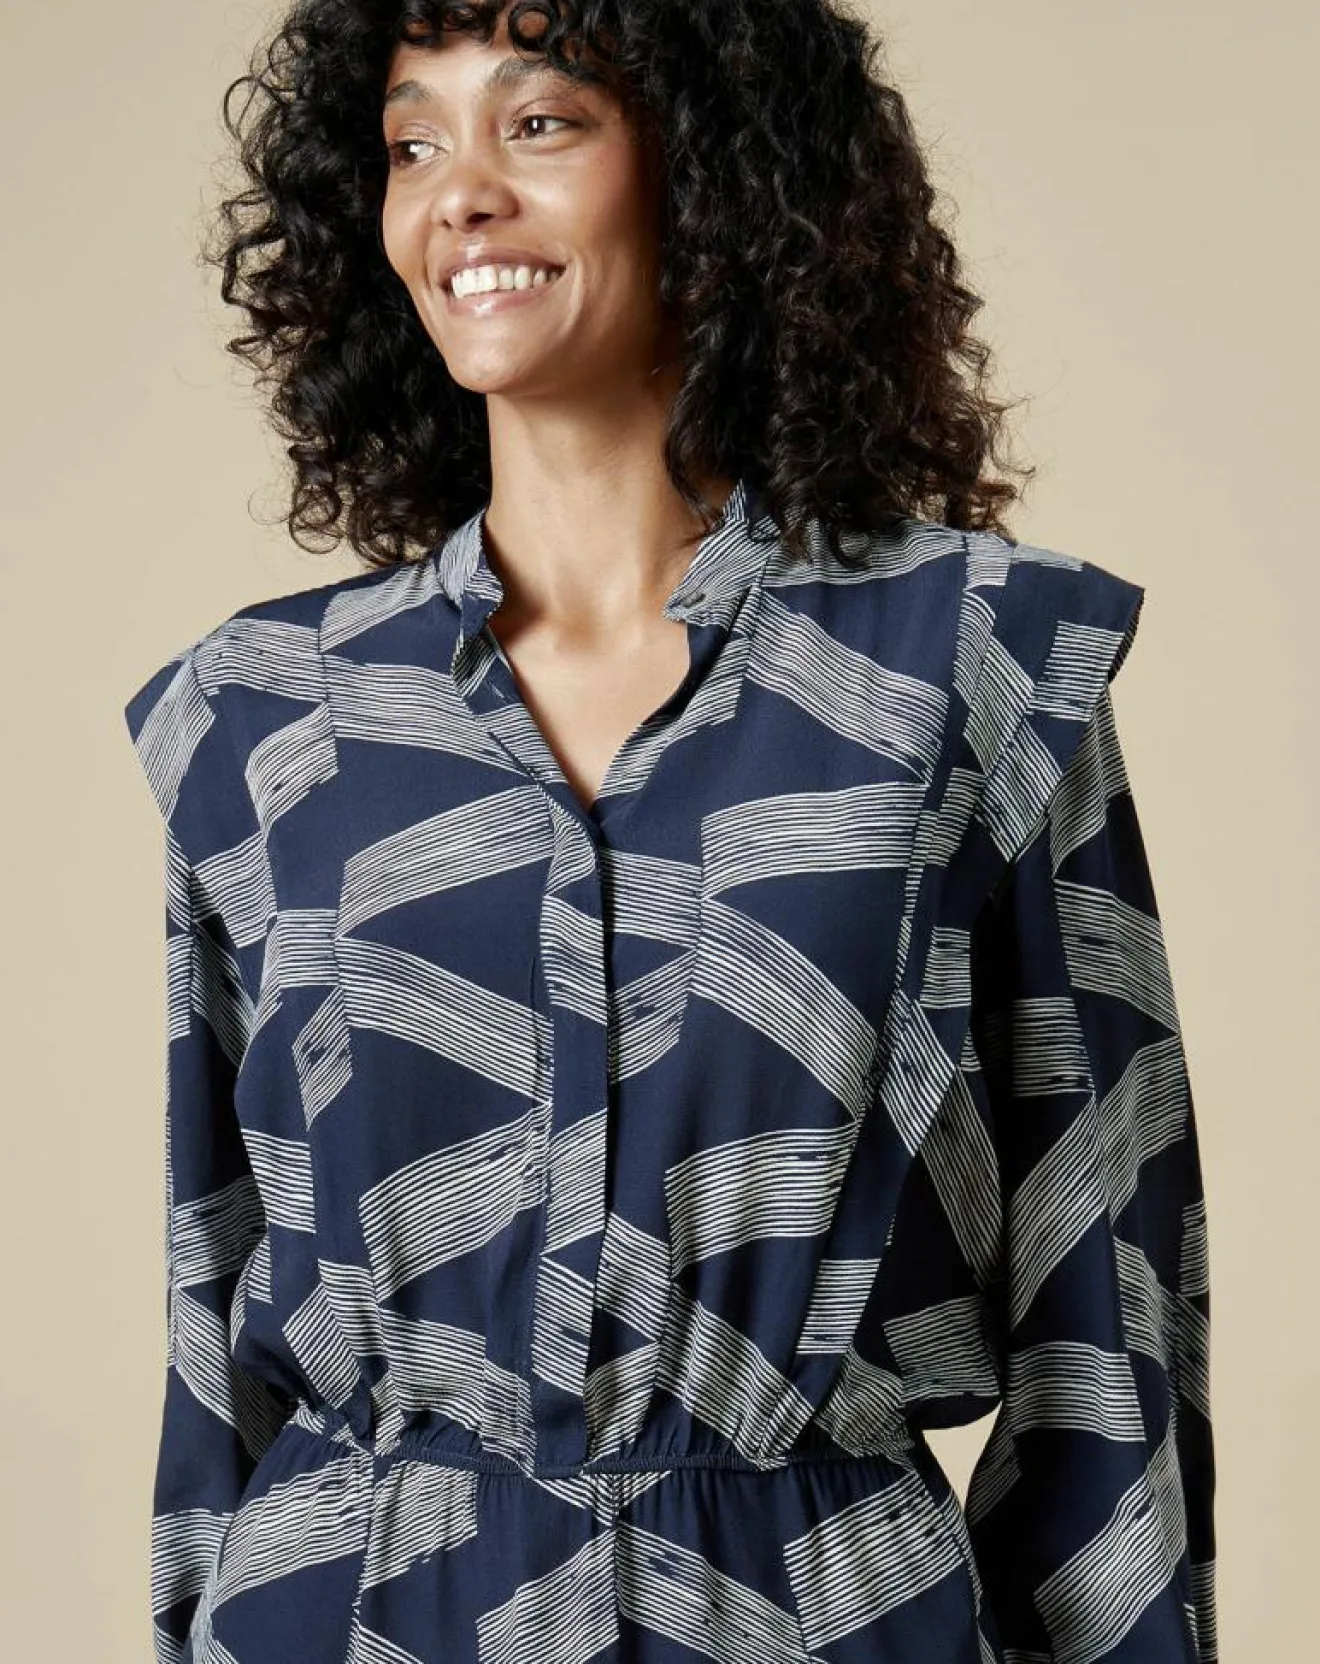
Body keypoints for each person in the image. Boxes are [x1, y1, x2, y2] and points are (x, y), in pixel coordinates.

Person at [123, 3, 1217, 1661]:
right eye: (413, 142)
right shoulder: (270, 719)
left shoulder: (961, 666)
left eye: (539, 123)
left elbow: (1109, 1318)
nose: (460, 193)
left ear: (708, 174)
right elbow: (215, 1330)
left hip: (809, 1617)